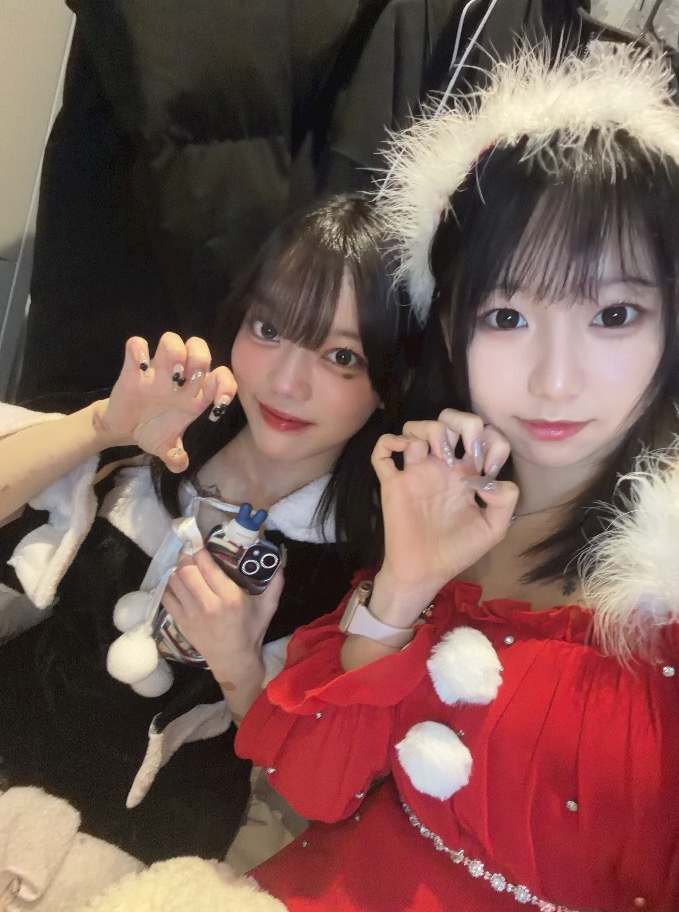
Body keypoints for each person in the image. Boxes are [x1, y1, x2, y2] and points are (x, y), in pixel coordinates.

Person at [12, 44, 679, 912]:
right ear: (454, 328)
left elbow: (291, 782)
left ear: (676, 318)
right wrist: (400, 589)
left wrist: (248, 657)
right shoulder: (399, 507)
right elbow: (323, 785)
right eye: (509, 317)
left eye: (613, 315)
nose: (556, 379)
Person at [0, 192, 405, 874]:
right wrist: (101, 427)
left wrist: (239, 667)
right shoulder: (159, 433)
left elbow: (316, 787)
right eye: (269, 329)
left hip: (135, 851)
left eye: (341, 357)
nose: (286, 382)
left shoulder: (366, 567)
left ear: (388, 381)